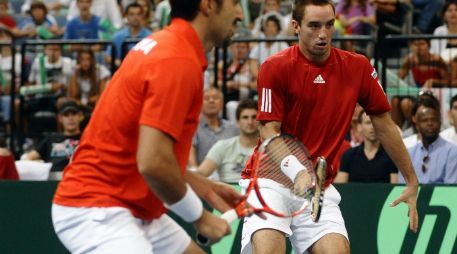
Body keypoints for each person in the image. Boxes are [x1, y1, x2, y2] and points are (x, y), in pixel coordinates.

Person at [51, 1, 244, 253]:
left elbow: (140, 149)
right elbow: (152, 162)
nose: (240, 13)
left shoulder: (167, 45)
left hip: (133, 206)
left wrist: (201, 185)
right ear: (208, 5)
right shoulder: (176, 59)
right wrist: (201, 217)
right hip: (97, 208)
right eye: (235, 2)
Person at [240, 1, 419, 253]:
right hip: (271, 181)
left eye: (328, 25)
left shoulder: (358, 67)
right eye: (314, 26)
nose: (323, 33)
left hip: (318, 189)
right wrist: (298, 171)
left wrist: (411, 180)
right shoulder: (275, 66)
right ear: (296, 26)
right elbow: (269, 131)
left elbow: (384, 124)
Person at [399, 94, 457, 184]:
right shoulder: (409, 154)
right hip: (413, 198)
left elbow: (450, 189)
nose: (429, 123)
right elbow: (402, 186)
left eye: (434, 120)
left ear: (440, 122)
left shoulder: (452, 151)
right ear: (417, 124)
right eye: (424, 120)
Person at [197, 99, 259, 184]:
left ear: (260, 121)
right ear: (237, 122)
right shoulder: (222, 146)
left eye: (254, 117)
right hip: (226, 192)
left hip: (257, 191)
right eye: (245, 117)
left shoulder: (269, 149)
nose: (250, 122)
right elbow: (200, 174)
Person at [22, 99, 83, 180]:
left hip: (78, 177)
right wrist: (40, 164)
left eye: (74, 114)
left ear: (80, 116)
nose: (70, 118)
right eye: (66, 115)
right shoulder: (51, 138)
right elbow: (27, 158)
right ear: (60, 118)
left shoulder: (86, 138)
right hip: (51, 179)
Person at [335, 110, 398, 183]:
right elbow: (340, 186)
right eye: (368, 123)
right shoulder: (349, 155)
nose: (372, 127)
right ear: (359, 127)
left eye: (376, 122)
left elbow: (394, 187)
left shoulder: (391, 156)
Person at [188, 87, 239, 176]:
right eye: (206, 98)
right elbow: (191, 162)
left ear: (222, 103)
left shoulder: (233, 128)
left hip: (231, 177)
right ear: (199, 103)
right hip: (204, 177)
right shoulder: (193, 128)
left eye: (215, 98)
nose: (211, 101)